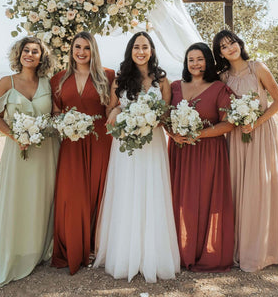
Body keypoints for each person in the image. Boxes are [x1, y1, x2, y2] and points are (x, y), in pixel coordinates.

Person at [93, 31, 180, 283]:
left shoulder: (162, 80)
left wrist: (151, 121)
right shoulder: (120, 80)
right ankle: (125, 254)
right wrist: (120, 108)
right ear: (130, 51)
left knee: (152, 193)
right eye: (136, 47)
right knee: (128, 193)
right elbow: (110, 110)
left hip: (152, 143)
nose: (141, 51)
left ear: (152, 50)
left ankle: (153, 256)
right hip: (125, 146)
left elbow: (165, 113)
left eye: (145, 46)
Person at [212, 29, 278, 272]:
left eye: (233, 43)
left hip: (261, 134)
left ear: (240, 43)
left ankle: (265, 248)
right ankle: (240, 247)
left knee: (260, 188)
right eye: (224, 47)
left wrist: (255, 123)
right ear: (221, 54)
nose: (231, 48)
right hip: (236, 136)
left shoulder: (258, 67)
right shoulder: (222, 78)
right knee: (238, 188)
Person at [0, 36, 59, 289]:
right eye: (27, 50)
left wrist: (46, 128)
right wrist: (17, 137)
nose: (30, 55)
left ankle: (37, 251)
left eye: (36, 51)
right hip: (18, 151)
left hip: (47, 150)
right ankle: (14, 254)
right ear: (19, 54)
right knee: (17, 200)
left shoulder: (48, 83)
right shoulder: (7, 82)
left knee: (42, 199)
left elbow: (56, 114)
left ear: (41, 57)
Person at [50, 31, 115, 275]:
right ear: (71, 50)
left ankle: (95, 247)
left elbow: (113, 107)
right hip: (71, 144)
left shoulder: (107, 76)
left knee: (97, 192)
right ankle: (72, 248)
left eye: (87, 48)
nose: (81, 52)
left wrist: (115, 114)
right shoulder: (57, 79)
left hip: (100, 141)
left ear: (93, 51)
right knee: (71, 194)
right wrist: (65, 124)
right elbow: (56, 112)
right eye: (78, 47)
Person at [167, 42, 235, 272]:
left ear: (208, 60)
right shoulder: (175, 87)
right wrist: (172, 134)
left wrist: (200, 134)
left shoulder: (218, 88)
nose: (195, 64)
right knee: (180, 202)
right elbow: (165, 117)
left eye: (200, 59)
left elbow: (229, 123)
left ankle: (204, 252)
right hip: (181, 151)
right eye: (191, 60)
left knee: (205, 201)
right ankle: (179, 250)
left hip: (208, 152)